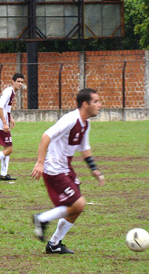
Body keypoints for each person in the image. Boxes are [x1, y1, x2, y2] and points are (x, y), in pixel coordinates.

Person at [31, 88, 105, 254]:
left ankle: (54, 244)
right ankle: (42, 219)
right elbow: (46, 136)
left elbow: (85, 148)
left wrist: (94, 169)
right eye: (96, 101)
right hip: (54, 168)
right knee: (79, 204)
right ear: (85, 104)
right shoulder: (71, 119)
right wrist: (40, 163)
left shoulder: (85, 123)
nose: (99, 105)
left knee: (76, 209)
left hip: (66, 168)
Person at [0, 73, 25, 181]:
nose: (20, 84)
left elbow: (5, 108)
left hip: (3, 122)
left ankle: (3, 174)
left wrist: (10, 117)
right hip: (0, 124)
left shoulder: (12, 92)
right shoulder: (8, 91)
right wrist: (4, 123)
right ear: (13, 81)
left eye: (22, 82)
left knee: (7, 147)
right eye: (18, 81)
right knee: (9, 149)